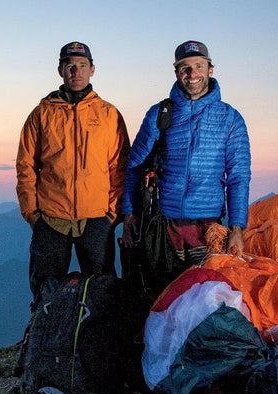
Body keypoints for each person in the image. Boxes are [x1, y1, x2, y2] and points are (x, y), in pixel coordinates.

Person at [16, 41, 131, 302]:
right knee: (45, 291)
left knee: (103, 292)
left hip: (97, 219)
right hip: (51, 219)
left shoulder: (108, 114)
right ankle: (42, 338)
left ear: (92, 70)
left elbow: (119, 166)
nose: (75, 72)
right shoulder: (41, 114)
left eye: (81, 66)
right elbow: (26, 166)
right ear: (60, 70)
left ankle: (100, 342)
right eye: (70, 66)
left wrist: (112, 214)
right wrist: (33, 215)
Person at [121, 40, 251, 266]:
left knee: (203, 296)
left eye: (199, 66)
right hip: (162, 226)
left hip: (209, 229)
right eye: (185, 67)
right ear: (176, 72)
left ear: (210, 69)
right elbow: (135, 166)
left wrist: (237, 228)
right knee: (161, 296)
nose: (193, 74)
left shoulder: (231, 119)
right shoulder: (159, 114)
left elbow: (238, 176)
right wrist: (129, 215)